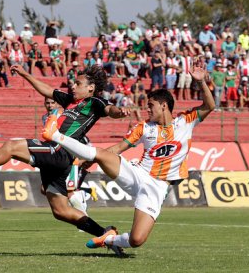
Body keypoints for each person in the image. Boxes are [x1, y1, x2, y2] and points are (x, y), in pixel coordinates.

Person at [0, 64, 129, 256]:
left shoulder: (94, 102)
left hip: (59, 150)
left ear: (91, 88)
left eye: (78, 83)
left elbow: (110, 110)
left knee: (11, 147)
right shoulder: (69, 101)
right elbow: (47, 90)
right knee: (60, 211)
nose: (73, 86)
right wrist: (25, 74)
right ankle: (107, 236)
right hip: (61, 159)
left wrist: (120, 112)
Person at [41, 66, 215, 251]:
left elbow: (210, 106)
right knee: (100, 153)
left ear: (163, 105)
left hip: (157, 187)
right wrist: (89, 160)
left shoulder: (185, 121)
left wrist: (201, 81)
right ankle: (56, 136)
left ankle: (108, 239)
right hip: (137, 175)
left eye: (151, 106)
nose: (147, 110)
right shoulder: (144, 127)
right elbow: (118, 148)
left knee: (136, 240)